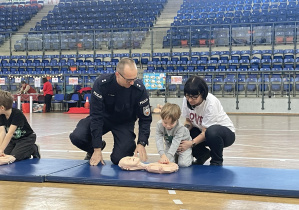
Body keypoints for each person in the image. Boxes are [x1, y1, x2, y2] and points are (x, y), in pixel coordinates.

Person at [70, 58, 152, 166]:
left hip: (124, 123)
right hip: (103, 118)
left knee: (119, 159)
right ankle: (92, 151)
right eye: (128, 80)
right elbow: (96, 116)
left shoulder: (139, 89)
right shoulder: (102, 84)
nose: (132, 83)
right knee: (78, 136)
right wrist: (97, 148)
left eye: (134, 78)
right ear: (117, 74)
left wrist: (142, 142)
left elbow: (145, 118)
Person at [178, 76, 235, 166]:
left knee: (211, 132)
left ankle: (216, 161)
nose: (190, 100)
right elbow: (188, 122)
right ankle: (202, 155)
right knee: (187, 133)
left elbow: (205, 132)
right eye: (188, 96)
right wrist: (180, 134)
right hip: (204, 132)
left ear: (202, 94)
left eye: (194, 97)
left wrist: (191, 143)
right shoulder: (186, 100)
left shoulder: (211, 103)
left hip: (224, 135)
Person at [0, 90, 40, 165]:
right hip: (14, 140)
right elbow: (2, 133)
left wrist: (1, 150)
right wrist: (1, 149)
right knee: (5, 154)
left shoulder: (17, 114)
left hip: (27, 138)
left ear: (2, 107)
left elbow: (10, 133)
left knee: (14, 157)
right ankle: (25, 149)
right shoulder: (1, 115)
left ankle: (32, 149)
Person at [156, 103, 193, 167]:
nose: (168, 126)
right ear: (161, 118)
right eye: (165, 122)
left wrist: (168, 156)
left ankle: (189, 157)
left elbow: (176, 142)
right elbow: (158, 140)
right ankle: (175, 157)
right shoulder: (159, 125)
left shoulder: (180, 128)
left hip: (183, 146)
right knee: (168, 163)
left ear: (177, 119)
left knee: (183, 164)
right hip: (170, 145)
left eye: (172, 123)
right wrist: (163, 155)